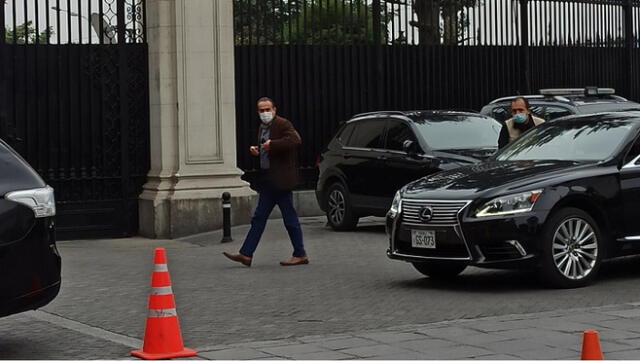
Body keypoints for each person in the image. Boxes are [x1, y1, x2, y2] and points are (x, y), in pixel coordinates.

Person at [223, 97, 309, 267]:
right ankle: (246, 254)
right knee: (260, 218)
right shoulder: (263, 128)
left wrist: (273, 144)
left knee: (286, 218)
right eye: (261, 110)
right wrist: (258, 150)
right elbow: (267, 148)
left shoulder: (283, 124)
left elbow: (295, 140)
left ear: (274, 110)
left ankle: (299, 254)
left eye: (267, 109)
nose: (265, 113)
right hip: (269, 180)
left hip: (280, 180)